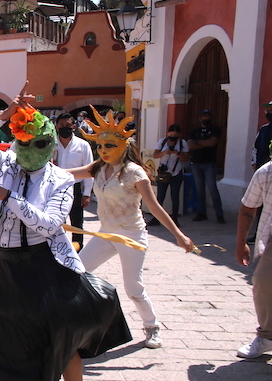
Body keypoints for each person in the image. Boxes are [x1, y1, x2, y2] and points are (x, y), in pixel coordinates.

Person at [0, 87, 131, 381]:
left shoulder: (61, 180)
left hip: (45, 264)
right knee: (1, 339)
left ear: (51, 146)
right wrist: (8, 111)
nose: (28, 152)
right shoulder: (5, 162)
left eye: (38, 145)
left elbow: (50, 225)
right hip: (7, 265)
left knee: (63, 338)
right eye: (22, 144)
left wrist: (9, 196)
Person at [69, 107, 195, 349]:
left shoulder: (134, 172)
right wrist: (34, 170)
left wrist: (179, 235)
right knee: (76, 271)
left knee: (133, 288)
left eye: (110, 146)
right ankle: (83, 320)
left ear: (124, 146)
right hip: (106, 233)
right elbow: (67, 174)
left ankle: (152, 327)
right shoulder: (98, 167)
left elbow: (155, 208)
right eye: (101, 146)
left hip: (131, 235)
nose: (104, 151)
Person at [234, 122, 272, 359]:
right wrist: (241, 243)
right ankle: (266, 336)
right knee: (262, 281)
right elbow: (248, 208)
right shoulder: (266, 174)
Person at [247, 100, 272, 243]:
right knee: (261, 204)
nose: (269, 113)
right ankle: (259, 233)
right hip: (265, 173)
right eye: (267, 110)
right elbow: (255, 147)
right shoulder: (264, 130)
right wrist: (254, 163)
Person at [53, 113, 94, 251]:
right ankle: (60, 251)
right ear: (56, 127)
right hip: (54, 189)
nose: (65, 128)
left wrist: (87, 193)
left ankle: (78, 252)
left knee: (77, 224)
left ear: (74, 127)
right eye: (62, 125)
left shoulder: (83, 146)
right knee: (58, 222)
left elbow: (90, 170)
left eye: (68, 125)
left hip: (75, 188)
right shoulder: (50, 145)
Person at [149, 124, 190, 228]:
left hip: (177, 172)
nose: (173, 136)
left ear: (179, 135)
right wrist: (165, 152)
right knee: (160, 196)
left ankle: (175, 219)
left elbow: (186, 158)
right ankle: (156, 218)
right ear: (168, 133)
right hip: (163, 172)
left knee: (175, 196)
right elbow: (155, 155)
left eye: (175, 135)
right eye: (171, 134)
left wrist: (178, 153)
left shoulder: (182, 143)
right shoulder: (162, 142)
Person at [188, 109, 225, 223]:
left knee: (212, 188)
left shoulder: (215, 130)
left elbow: (212, 142)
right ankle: (202, 213)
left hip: (210, 163)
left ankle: (219, 214)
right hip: (196, 163)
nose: (206, 118)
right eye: (204, 116)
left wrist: (197, 142)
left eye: (208, 116)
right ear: (200, 118)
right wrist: (205, 143)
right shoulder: (194, 131)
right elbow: (190, 145)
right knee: (200, 190)